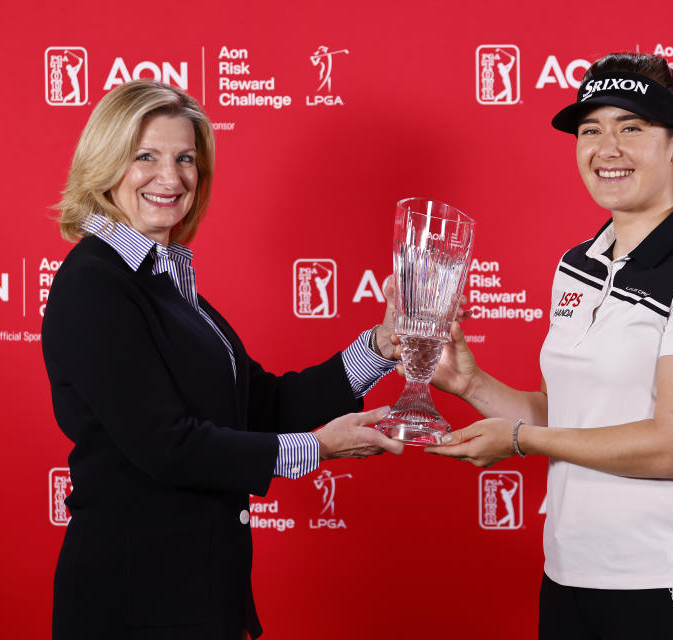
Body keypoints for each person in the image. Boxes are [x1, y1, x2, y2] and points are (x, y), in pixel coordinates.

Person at [42, 79, 404, 640]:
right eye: (146, 157)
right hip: (136, 608)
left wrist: (380, 347)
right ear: (106, 164)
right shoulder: (94, 285)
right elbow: (167, 446)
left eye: (185, 158)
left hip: (201, 595)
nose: (171, 177)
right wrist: (320, 448)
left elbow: (261, 403)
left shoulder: (163, 281)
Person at [423, 53, 673, 638]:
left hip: (667, 582)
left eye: (632, 127)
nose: (607, 148)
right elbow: (577, 421)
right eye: (591, 130)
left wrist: (519, 441)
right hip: (569, 576)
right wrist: (471, 385)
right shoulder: (577, 264)